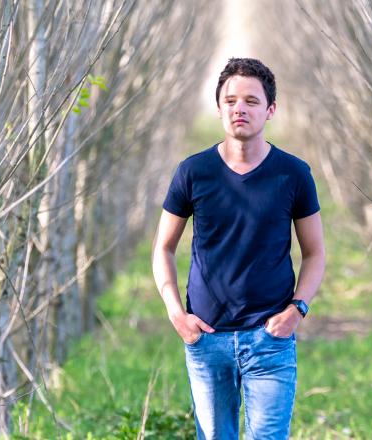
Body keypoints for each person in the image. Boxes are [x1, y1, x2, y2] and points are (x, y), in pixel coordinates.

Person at [151, 58, 325, 440]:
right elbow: (163, 247)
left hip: (270, 339)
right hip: (206, 337)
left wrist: (296, 311)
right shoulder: (193, 172)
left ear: (270, 110)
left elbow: (315, 253)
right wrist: (176, 314)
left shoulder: (293, 174)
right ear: (219, 109)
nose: (239, 108)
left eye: (250, 100)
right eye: (230, 101)